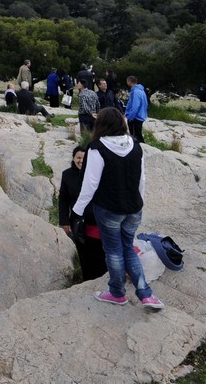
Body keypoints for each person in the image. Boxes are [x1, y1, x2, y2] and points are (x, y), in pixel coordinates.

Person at [70, 107, 163, 309]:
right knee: (128, 248)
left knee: (113, 251)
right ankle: (146, 294)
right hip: (134, 208)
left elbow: (90, 185)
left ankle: (117, 292)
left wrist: (76, 212)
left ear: (100, 124)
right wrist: (138, 202)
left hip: (109, 209)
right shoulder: (135, 145)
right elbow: (142, 179)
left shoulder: (97, 148)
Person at [58, 146, 106, 281]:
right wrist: (64, 221)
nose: (81, 161)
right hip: (78, 223)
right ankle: (87, 282)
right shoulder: (67, 175)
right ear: (73, 159)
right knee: (84, 255)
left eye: (84, 158)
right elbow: (63, 199)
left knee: (100, 255)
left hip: (97, 222)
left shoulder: (96, 173)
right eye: (78, 158)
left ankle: (102, 282)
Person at [124, 76, 148, 144]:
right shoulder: (141, 90)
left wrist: (131, 116)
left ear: (129, 81)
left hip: (135, 117)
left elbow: (135, 106)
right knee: (138, 134)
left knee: (135, 136)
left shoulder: (135, 91)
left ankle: (139, 148)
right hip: (141, 115)